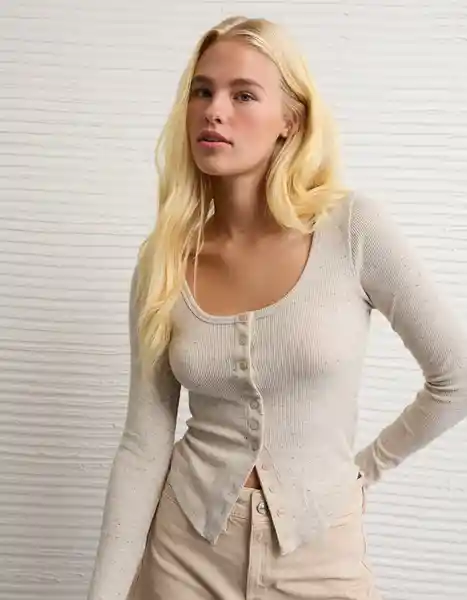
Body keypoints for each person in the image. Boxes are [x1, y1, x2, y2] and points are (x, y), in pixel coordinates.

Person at [87, 15, 467, 600]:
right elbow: (144, 442)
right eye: (202, 91)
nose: (215, 110)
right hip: (184, 554)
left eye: (243, 95)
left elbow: (456, 376)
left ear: (290, 120)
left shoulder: (352, 231)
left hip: (321, 558)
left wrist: (363, 471)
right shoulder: (164, 261)